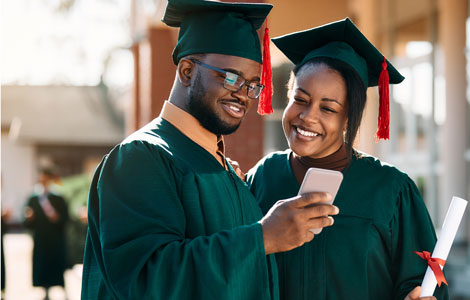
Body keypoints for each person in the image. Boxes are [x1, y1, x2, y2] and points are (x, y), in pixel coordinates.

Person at [81, 1, 339, 299]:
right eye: (231, 77)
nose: (243, 95)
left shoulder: (226, 170)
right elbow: (146, 279)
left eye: (252, 85)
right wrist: (262, 237)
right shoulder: (142, 157)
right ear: (187, 71)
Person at [246, 18, 448, 300]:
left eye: (328, 108)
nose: (308, 116)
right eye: (300, 99)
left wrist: (417, 295)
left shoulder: (390, 189)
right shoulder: (263, 177)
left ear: (348, 118)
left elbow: (427, 279)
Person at [24, 168, 70, 299]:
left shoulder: (58, 197)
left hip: (55, 238)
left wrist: (57, 218)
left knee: (56, 264)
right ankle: (45, 289)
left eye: (45, 180)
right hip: (40, 238)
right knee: (42, 264)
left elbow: (66, 219)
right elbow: (27, 221)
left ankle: (60, 287)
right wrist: (29, 218)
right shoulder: (34, 198)